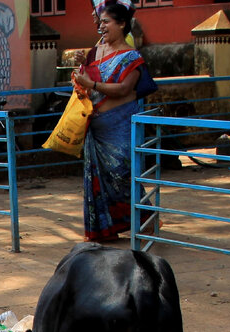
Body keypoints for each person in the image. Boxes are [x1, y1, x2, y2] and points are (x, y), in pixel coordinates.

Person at [71, 1, 157, 242]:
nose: (101, 26)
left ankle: (146, 218)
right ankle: (103, 229)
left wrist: (92, 84)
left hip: (118, 125)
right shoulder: (95, 51)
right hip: (95, 127)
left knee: (122, 175)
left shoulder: (131, 57)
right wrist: (80, 77)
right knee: (97, 180)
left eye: (106, 22)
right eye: (100, 22)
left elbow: (123, 89)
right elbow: (84, 81)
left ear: (121, 24)